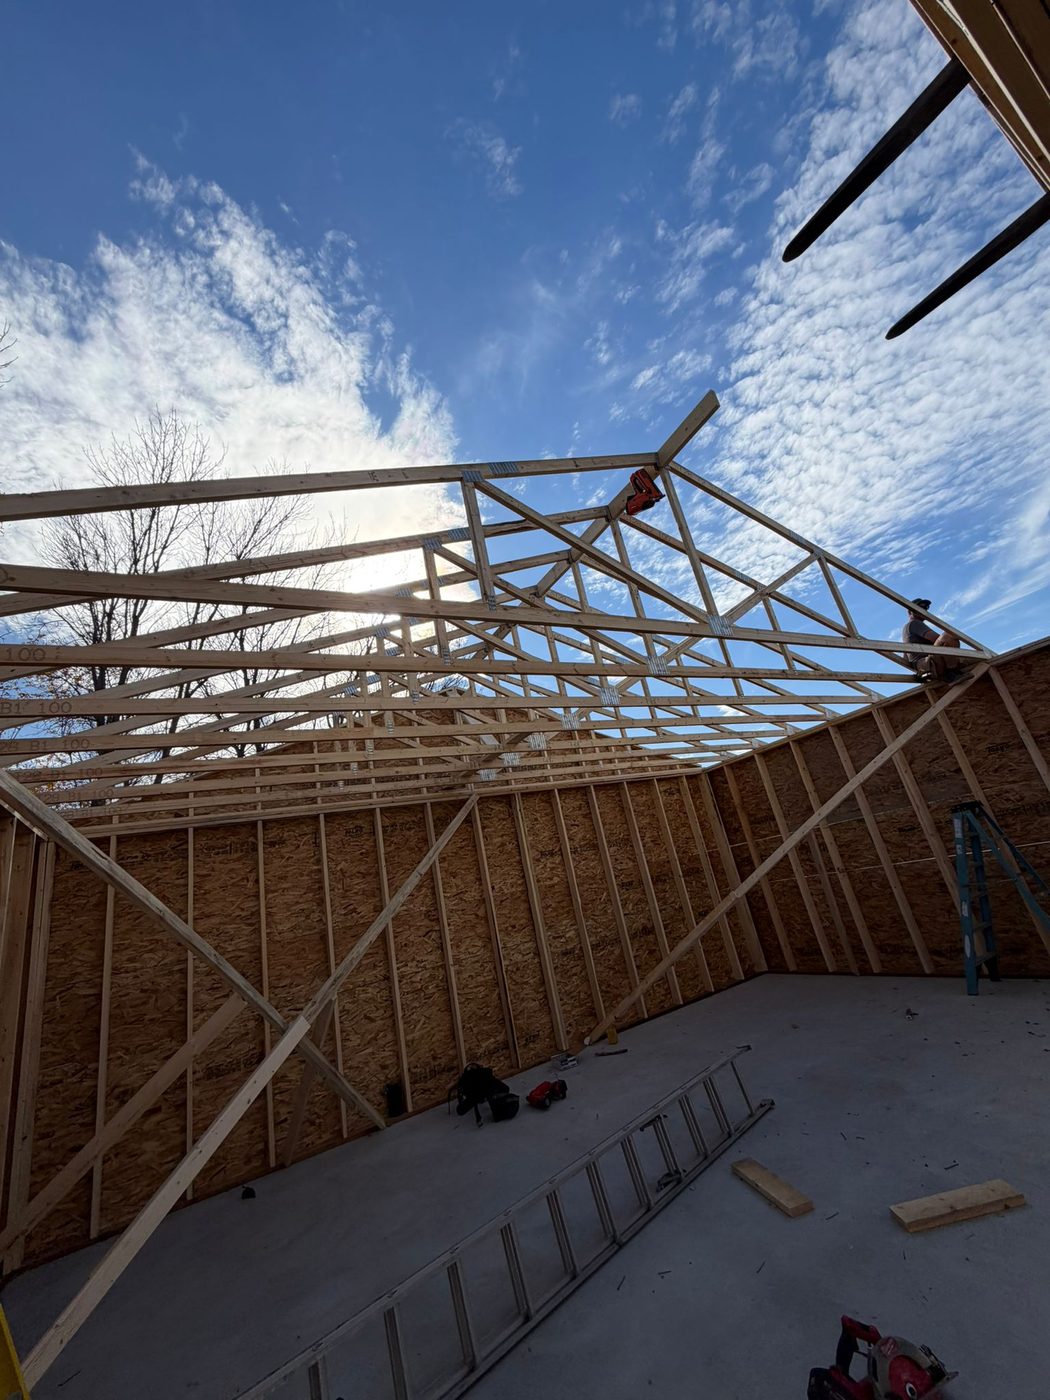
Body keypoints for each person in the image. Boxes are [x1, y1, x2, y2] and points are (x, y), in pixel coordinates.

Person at [901, 598, 965, 682]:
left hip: (924, 667)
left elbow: (905, 658)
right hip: (929, 664)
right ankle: (952, 673)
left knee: (970, 658)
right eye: (919, 607)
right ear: (910, 612)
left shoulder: (906, 629)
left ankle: (951, 671)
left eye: (925, 608)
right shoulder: (914, 623)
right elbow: (938, 639)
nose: (923, 610)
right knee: (949, 635)